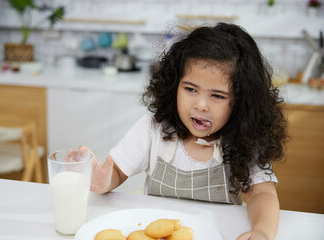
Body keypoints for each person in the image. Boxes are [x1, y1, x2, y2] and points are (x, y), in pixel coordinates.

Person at [70, 22, 287, 240]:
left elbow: (262, 193)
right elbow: (117, 170)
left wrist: (261, 232)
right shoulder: (155, 127)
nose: (201, 105)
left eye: (218, 96)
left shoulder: (244, 139)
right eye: (190, 89)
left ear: (241, 102)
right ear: (174, 86)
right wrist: (104, 180)